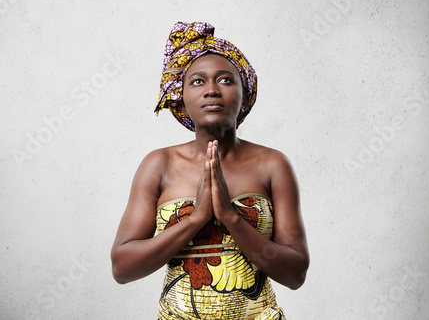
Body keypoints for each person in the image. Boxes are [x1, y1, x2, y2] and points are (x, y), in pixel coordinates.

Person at [111, 22, 309, 319]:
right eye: (198, 82)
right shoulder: (159, 165)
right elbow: (122, 268)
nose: (212, 90)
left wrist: (231, 217)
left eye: (226, 80)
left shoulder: (272, 164)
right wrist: (196, 219)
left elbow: (295, 274)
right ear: (181, 96)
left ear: (245, 92)